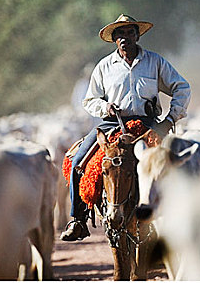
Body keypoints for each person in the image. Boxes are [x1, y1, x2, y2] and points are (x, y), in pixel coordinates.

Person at [60, 14, 191, 241]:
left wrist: (169, 121)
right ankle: (78, 220)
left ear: (137, 35)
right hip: (112, 124)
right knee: (78, 162)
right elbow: (89, 100)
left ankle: (176, 219)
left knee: (174, 163)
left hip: (148, 124)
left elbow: (182, 87)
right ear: (113, 39)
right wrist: (105, 106)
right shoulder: (104, 67)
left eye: (130, 33)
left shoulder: (155, 62)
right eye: (119, 34)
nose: (124, 38)